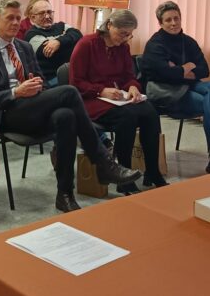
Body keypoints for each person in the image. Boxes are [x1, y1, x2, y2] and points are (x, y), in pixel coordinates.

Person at [0, 0, 141, 212]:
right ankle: (103, 162)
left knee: (65, 116)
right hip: (4, 114)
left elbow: (42, 81)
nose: (15, 22)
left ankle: (65, 194)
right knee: (69, 92)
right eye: (10, 18)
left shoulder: (23, 47)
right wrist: (15, 92)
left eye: (18, 18)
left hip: (31, 107)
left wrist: (37, 87)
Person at [69, 10, 168, 194]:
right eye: (123, 33)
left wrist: (133, 88)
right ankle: (123, 175)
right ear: (109, 26)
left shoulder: (123, 47)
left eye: (129, 34)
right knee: (127, 116)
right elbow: (75, 83)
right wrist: (101, 90)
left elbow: (128, 77)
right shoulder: (86, 44)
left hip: (114, 98)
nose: (126, 38)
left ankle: (153, 170)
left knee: (150, 112)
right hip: (89, 99)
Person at [141, 0, 210, 173]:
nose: (173, 23)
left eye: (176, 18)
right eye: (168, 20)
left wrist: (177, 69)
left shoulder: (188, 42)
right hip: (168, 93)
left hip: (188, 86)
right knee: (209, 105)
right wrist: (187, 67)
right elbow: (163, 74)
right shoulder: (154, 45)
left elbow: (204, 70)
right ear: (160, 23)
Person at [24, 0, 81, 84]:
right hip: (51, 79)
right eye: (42, 13)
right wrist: (70, 42)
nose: (47, 16)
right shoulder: (31, 35)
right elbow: (54, 56)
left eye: (49, 12)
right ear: (33, 18)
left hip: (71, 73)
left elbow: (78, 34)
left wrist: (58, 42)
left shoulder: (61, 25)